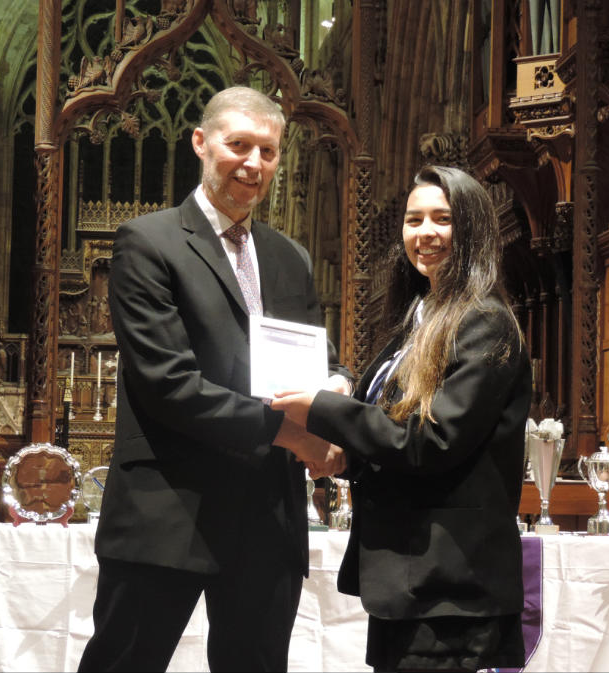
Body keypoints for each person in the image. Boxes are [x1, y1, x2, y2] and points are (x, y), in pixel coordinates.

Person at [78, 86, 350, 673]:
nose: (253, 163)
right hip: (169, 510)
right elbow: (169, 385)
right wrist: (296, 436)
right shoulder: (148, 242)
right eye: (239, 145)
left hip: (266, 516)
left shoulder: (290, 258)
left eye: (268, 152)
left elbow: (318, 358)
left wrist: (338, 389)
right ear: (201, 143)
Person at [273, 165, 530, 671]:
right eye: (414, 220)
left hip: (449, 582)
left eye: (442, 219)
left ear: (473, 228)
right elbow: (391, 431)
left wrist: (321, 408)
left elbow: (431, 442)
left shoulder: (484, 321)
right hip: (411, 576)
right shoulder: (420, 319)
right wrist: (340, 457)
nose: (424, 232)